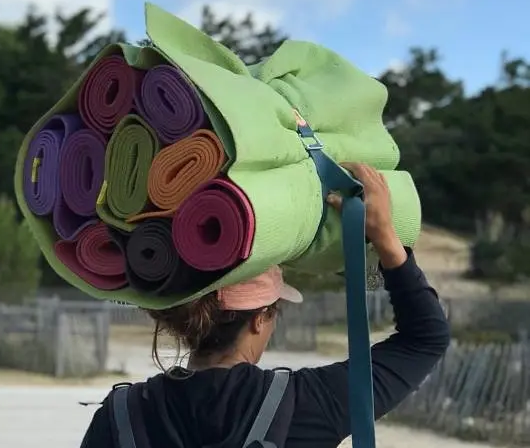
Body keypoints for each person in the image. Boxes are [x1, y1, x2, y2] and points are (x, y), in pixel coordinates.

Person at [79, 162, 451, 448]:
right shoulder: (308, 406)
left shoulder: (118, 417)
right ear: (260, 319)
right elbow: (426, 338)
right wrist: (385, 236)